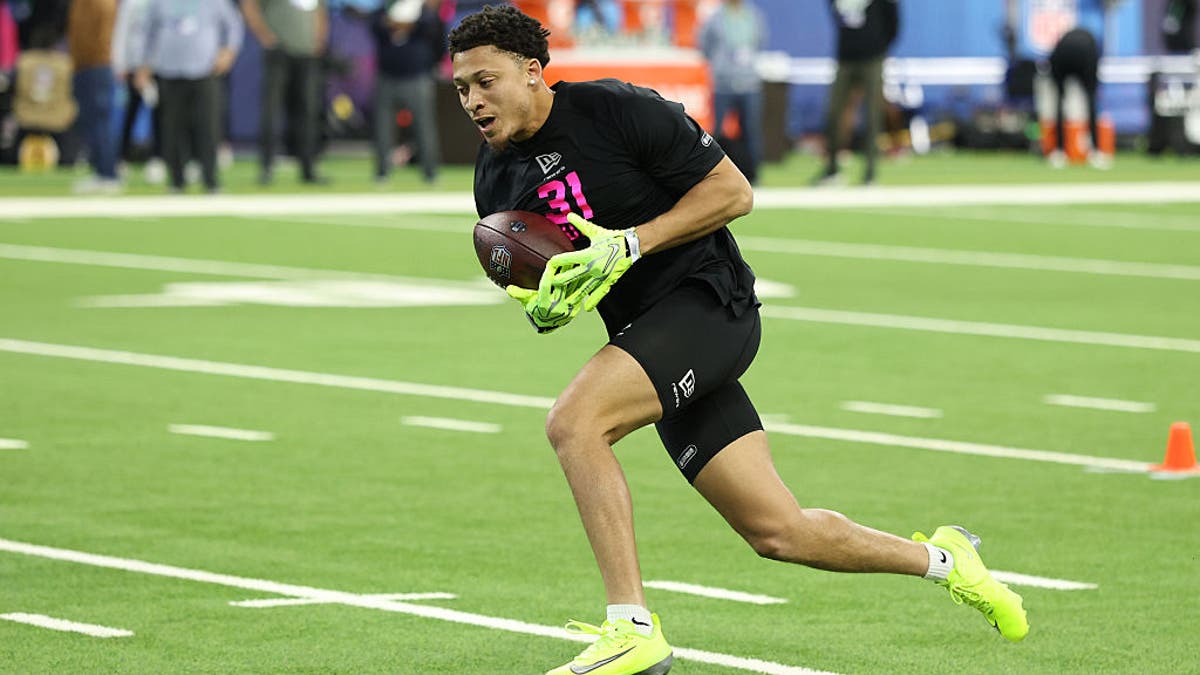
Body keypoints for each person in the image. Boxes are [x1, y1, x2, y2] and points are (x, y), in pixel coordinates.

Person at [447, 6, 1028, 675]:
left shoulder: (615, 109)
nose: (473, 100)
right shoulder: (493, 179)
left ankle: (631, 627)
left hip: (708, 304)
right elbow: (553, 274)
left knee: (574, 423)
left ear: (531, 71)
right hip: (648, 334)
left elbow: (732, 191)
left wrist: (634, 243)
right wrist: (548, 306)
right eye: (462, 89)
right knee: (779, 531)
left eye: (485, 82)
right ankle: (950, 559)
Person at [134, 0, 243, 193]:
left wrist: (229, 51)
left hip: (204, 70)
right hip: (169, 70)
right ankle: (177, 180)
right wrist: (143, 63)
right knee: (172, 127)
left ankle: (211, 180)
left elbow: (233, 24)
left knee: (208, 126)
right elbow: (147, 31)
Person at [241, 0, 328, 185]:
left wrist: (319, 38)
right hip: (279, 53)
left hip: (306, 54)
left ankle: (308, 168)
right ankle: (266, 167)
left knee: (307, 112)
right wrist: (265, 35)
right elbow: (249, 4)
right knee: (271, 111)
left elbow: (320, 11)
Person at [813, 0, 898, 186]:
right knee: (834, 113)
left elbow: (893, 22)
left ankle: (870, 173)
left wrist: (877, 46)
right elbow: (836, 16)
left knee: (872, 115)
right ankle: (832, 169)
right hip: (845, 58)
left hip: (872, 58)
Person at [370, 0, 444, 185]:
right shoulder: (386, 6)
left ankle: (430, 172)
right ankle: (381, 171)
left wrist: (403, 25)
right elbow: (374, 25)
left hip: (416, 75)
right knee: (383, 127)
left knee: (424, 126)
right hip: (387, 75)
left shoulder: (422, 8)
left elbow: (432, 29)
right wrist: (403, 25)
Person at [697, 0, 767, 184]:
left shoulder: (753, 16)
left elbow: (760, 42)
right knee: (717, 131)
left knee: (751, 130)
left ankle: (753, 174)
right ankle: (712, 174)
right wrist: (720, 65)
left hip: (749, 81)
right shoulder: (715, 18)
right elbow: (704, 45)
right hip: (723, 83)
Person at [66, 0, 120, 193]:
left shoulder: (102, 3)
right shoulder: (79, 4)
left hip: (97, 66)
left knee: (101, 122)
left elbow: (105, 37)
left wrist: (99, 60)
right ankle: (100, 170)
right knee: (89, 122)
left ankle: (109, 174)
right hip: (82, 66)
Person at [1046, 27, 1105, 169]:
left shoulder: (1068, 40)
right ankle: (1095, 151)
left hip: (1063, 53)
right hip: (1081, 52)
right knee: (1090, 99)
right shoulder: (1090, 42)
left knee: (1060, 100)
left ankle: (1059, 152)